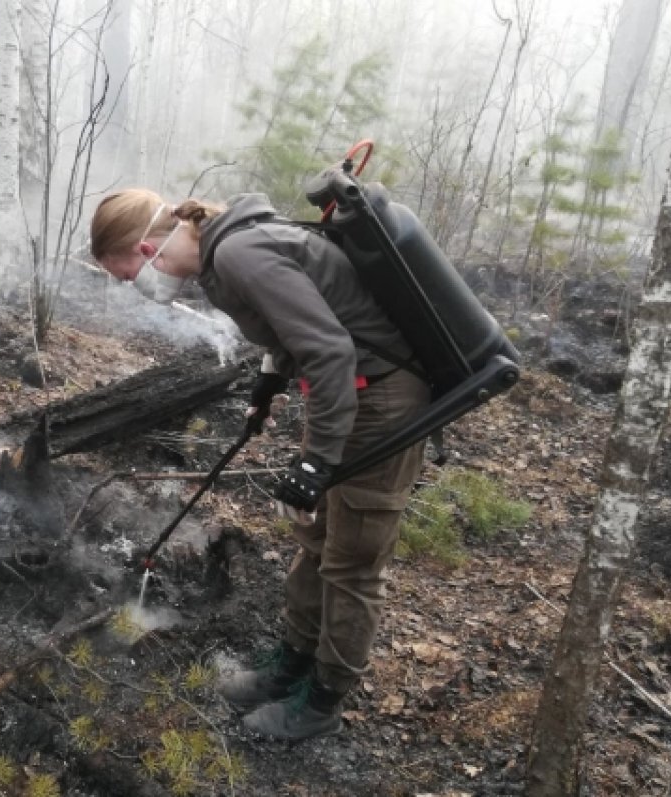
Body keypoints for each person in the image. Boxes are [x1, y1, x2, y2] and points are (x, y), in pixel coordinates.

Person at [89, 188, 431, 740]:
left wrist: (317, 461)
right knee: (317, 540)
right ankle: (291, 665)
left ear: (146, 247)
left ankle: (322, 702)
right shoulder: (222, 255)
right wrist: (270, 381)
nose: (135, 286)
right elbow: (292, 323)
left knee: (352, 562)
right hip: (349, 396)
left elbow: (330, 350)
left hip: (381, 402)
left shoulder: (236, 252)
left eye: (128, 274)